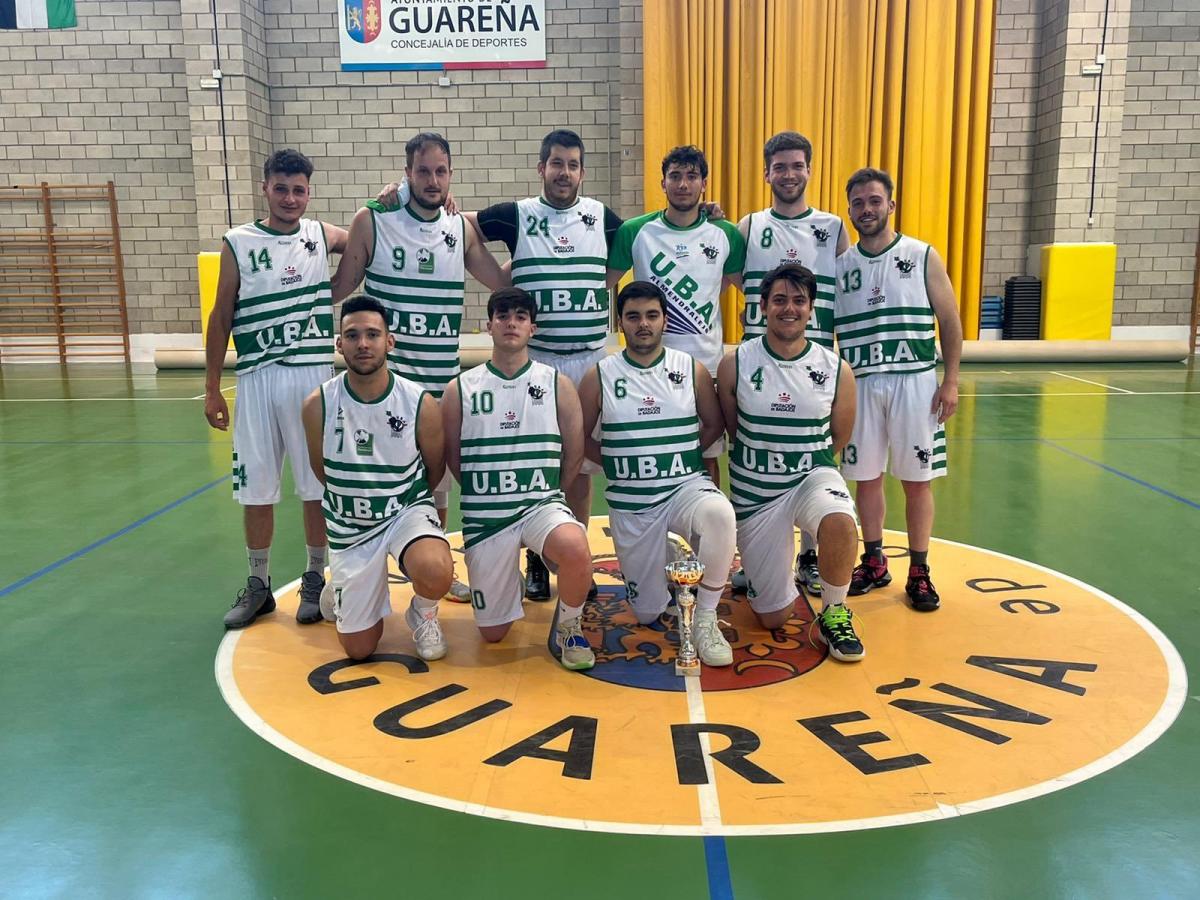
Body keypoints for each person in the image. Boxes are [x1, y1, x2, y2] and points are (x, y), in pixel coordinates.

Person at [331, 132, 506, 602]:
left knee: (437, 477)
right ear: (407, 173)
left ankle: (436, 570)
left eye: (441, 171)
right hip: (382, 384)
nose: (433, 180)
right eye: (423, 171)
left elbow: (499, 279)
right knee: (370, 474)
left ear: (451, 175)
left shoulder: (459, 227)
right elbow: (340, 286)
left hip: (438, 379)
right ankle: (350, 569)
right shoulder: (374, 219)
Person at [464, 129, 623, 602]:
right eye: (556, 163)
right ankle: (535, 558)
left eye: (573, 164)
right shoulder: (517, 215)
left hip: (590, 359)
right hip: (541, 361)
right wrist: (497, 279)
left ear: (582, 172)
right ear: (541, 168)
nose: (564, 172)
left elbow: (641, 239)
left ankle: (576, 560)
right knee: (534, 460)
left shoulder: (601, 217)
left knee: (579, 469)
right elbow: (462, 223)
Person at [205, 148, 348, 629]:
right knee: (257, 489)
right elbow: (221, 315)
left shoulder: (319, 233)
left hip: (311, 377)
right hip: (257, 377)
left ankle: (313, 577)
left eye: (299, 190)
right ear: (265, 187)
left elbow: (366, 240)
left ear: (309, 192)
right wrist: (211, 388)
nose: (291, 198)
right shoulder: (239, 242)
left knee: (315, 487)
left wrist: (391, 199)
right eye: (282, 188)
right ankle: (260, 585)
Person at [578, 282, 736, 665]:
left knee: (719, 515)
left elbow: (714, 424)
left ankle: (706, 617)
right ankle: (664, 553)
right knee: (647, 613)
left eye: (651, 315)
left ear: (665, 320)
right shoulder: (599, 375)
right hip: (632, 501)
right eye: (633, 317)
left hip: (685, 487)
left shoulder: (690, 368)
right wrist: (616, 462)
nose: (643, 324)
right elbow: (579, 436)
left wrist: (676, 457)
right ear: (620, 323)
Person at [441, 287, 596, 670]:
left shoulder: (555, 382)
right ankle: (502, 574)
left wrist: (551, 494)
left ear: (532, 328)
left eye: (520, 317)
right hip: (487, 514)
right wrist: (487, 493)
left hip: (540, 504)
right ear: (488, 326)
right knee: (494, 633)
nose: (511, 322)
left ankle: (570, 627)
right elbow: (454, 457)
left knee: (576, 545)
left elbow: (573, 451)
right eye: (503, 315)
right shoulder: (460, 388)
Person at [717, 263, 864, 661]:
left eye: (799, 301)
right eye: (779, 300)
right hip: (756, 494)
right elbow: (734, 427)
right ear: (762, 306)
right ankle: (763, 569)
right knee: (773, 619)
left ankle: (834, 610)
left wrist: (798, 461)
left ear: (811, 308)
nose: (789, 308)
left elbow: (839, 437)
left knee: (839, 518)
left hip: (808, 477)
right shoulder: (736, 362)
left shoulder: (835, 369)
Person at [834, 168, 962, 611]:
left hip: (915, 381)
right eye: (858, 203)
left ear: (891, 205)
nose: (866, 209)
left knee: (916, 480)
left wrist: (950, 380)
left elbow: (949, 319)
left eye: (874, 200)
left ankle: (920, 570)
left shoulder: (922, 254)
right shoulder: (840, 267)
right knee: (866, 479)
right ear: (849, 210)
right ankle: (873, 561)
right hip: (861, 383)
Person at [299, 296, 454, 661]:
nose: (363, 344)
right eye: (352, 336)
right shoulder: (317, 405)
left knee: (435, 570)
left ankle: (424, 610)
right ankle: (342, 581)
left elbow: (434, 469)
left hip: (404, 512)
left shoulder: (419, 402)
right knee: (359, 650)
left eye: (373, 334)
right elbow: (322, 470)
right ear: (339, 345)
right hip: (350, 525)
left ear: (390, 341)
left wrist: (398, 500)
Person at [736, 131, 850, 597]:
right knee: (754, 452)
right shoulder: (748, 226)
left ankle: (808, 555)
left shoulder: (833, 226)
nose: (788, 174)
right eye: (779, 167)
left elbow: (851, 285)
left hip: (815, 358)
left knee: (816, 456)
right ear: (767, 173)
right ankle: (760, 555)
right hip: (759, 357)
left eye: (796, 166)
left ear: (809, 170)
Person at [606, 144, 746, 485]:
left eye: (691, 177)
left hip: (706, 366)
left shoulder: (726, 234)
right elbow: (602, 286)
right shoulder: (635, 231)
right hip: (648, 366)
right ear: (662, 183)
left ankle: (704, 536)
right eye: (675, 176)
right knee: (651, 451)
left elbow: (745, 290)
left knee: (707, 456)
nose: (683, 184)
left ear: (704, 184)